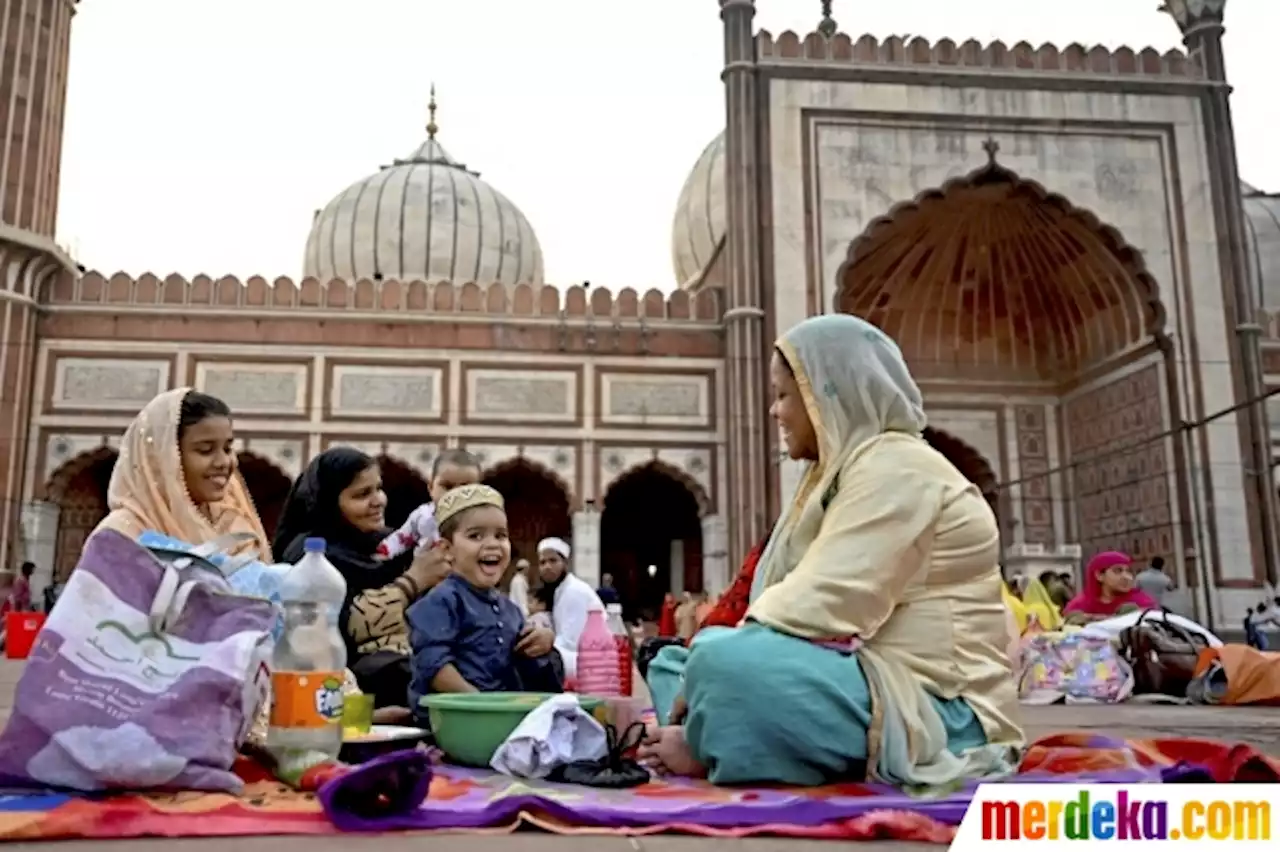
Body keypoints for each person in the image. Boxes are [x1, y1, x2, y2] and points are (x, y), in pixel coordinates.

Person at [639, 314, 1023, 788]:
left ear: (828, 394)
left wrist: (712, 662)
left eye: (784, 395)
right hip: (857, 674)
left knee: (719, 665)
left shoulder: (897, 465)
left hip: (940, 708)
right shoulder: (835, 477)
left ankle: (707, 740)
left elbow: (832, 600)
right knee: (670, 661)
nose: (774, 412)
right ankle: (719, 732)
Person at [273, 447, 451, 709]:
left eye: (378, 488)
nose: (378, 500)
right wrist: (413, 581)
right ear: (328, 502)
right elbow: (345, 632)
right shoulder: (309, 555)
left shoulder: (390, 547)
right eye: (362, 494)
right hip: (338, 687)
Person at [406, 484, 560, 718]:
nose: (492, 544)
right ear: (447, 549)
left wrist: (542, 644)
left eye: (501, 535)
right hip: (452, 720)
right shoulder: (441, 601)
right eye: (475, 536)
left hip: (499, 716)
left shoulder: (510, 610)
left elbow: (525, 669)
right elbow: (434, 666)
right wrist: (480, 705)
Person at [93, 388, 271, 559]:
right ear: (164, 458)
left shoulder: (235, 527)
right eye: (205, 450)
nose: (223, 462)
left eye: (227, 449)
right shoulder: (122, 536)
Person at [375, 449, 483, 560]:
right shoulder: (423, 516)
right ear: (431, 487)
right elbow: (401, 539)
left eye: (466, 489)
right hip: (425, 573)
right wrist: (385, 553)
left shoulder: (483, 519)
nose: (454, 494)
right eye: (448, 486)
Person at [535, 536, 605, 681]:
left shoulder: (574, 591)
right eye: (542, 562)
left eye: (553, 561)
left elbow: (571, 642)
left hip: (589, 662)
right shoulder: (560, 591)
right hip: (572, 657)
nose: (547, 566)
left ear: (565, 563)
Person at [1062, 551, 1156, 623]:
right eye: (1117, 571)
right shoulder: (1079, 606)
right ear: (1099, 575)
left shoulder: (1141, 602)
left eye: (1128, 571)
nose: (1126, 577)